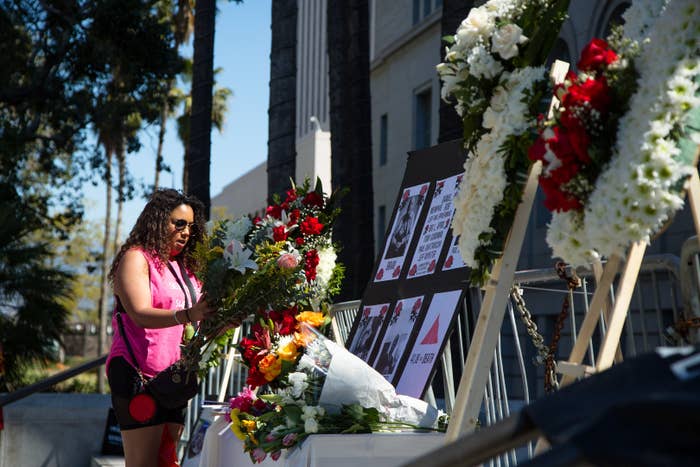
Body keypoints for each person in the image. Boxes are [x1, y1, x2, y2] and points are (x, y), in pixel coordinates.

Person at [106, 189, 216, 467]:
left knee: (167, 461)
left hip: (172, 379)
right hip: (137, 373)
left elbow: (195, 322)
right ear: (157, 220)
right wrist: (189, 313)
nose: (186, 231)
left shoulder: (184, 268)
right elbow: (141, 313)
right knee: (143, 464)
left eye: (191, 226)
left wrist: (222, 320)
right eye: (178, 223)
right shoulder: (136, 258)